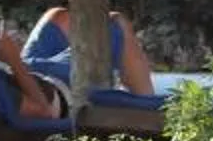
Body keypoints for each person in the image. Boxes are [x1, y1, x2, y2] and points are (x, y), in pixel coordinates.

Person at [21, 7, 156, 95]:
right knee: (117, 23)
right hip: (39, 80)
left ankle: (146, 98)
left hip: (24, 71)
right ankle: (148, 103)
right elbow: (43, 109)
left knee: (58, 16)